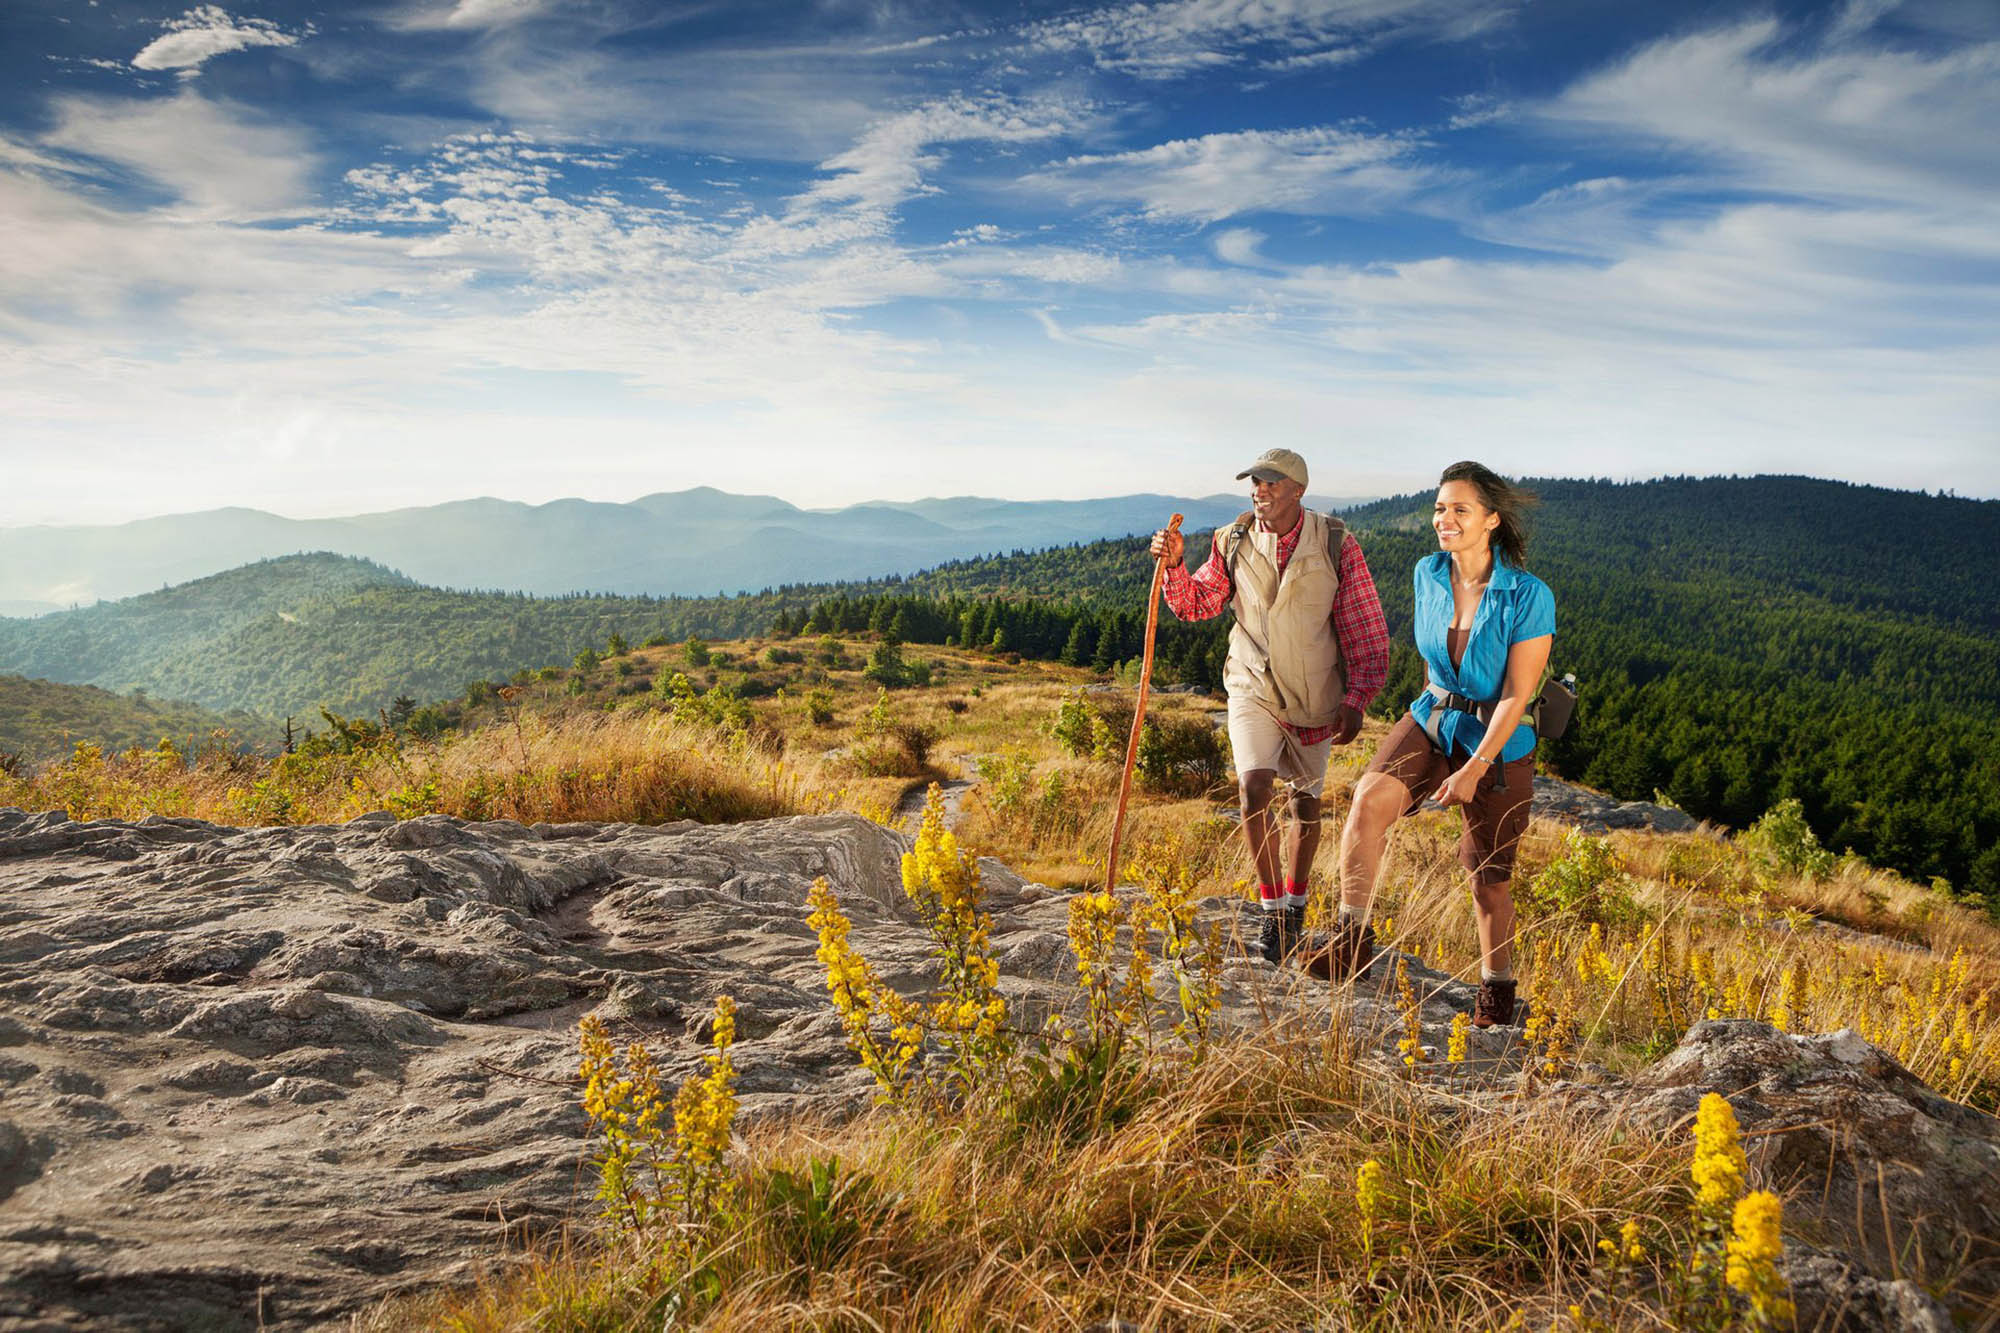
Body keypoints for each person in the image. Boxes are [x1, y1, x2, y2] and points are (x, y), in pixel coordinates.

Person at [1304, 461, 1553, 1029]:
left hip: (1499, 738)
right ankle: (1350, 945)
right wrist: (1422, 737)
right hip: (1434, 714)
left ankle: (1497, 996)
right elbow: (1431, 656)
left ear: (1491, 520)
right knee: (1367, 804)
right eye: (1440, 508)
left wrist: (1471, 770)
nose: (1445, 519)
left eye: (1460, 509)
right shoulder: (1427, 572)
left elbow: (1517, 694)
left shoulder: (1527, 595)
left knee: (1487, 876)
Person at [1148, 448, 1390, 964]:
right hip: (1251, 682)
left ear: (1298, 490)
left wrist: (1356, 697)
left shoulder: (1336, 542)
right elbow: (1199, 603)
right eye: (1255, 482)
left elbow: (1364, 624)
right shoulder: (1231, 540)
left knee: (1306, 805)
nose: (1259, 489)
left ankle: (1295, 907)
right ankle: (1272, 911)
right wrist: (1174, 567)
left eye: (1271, 483)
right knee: (1253, 787)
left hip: (1314, 691)